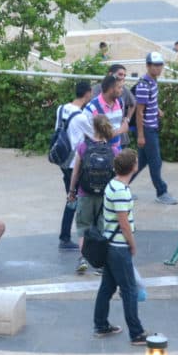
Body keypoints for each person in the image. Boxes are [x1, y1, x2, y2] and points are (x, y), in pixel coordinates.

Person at [92, 149, 148, 345]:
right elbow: (124, 224)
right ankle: (136, 333)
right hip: (119, 247)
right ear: (133, 167)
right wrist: (132, 245)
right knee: (129, 289)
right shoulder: (122, 192)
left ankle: (101, 325)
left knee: (107, 287)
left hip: (109, 244)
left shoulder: (112, 185)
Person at [68, 114, 116, 275]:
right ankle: (101, 264)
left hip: (85, 192)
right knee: (102, 228)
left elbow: (75, 173)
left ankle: (82, 259)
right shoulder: (113, 150)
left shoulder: (83, 147)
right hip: (104, 196)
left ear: (93, 128)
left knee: (83, 226)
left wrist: (72, 191)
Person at [132, 51, 178, 205]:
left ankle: (120, 185)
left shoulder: (153, 81)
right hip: (147, 130)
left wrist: (157, 110)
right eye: (155, 65)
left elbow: (149, 103)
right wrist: (140, 135)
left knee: (141, 163)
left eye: (160, 65)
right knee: (155, 162)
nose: (158, 68)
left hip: (151, 127)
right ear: (148, 66)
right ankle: (161, 192)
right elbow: (139, 111)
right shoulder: (144, 85)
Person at [56, 80, 92, 251]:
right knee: (76, 198)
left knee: (72, 198)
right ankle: (66, 237)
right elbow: (93, 135)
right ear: (87, 94)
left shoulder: (61, 108)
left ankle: (66, 235)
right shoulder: (82, 116)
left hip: (62, 160)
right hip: (74, 163)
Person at [85, 69, 131, 151]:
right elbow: (91, 136)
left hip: (117, 150)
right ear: (110, 89)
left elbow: (117, 124)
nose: (122, 90)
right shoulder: (91, 108)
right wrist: (121, 130)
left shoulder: (120, 102)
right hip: (99, 153)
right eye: (119, 87)